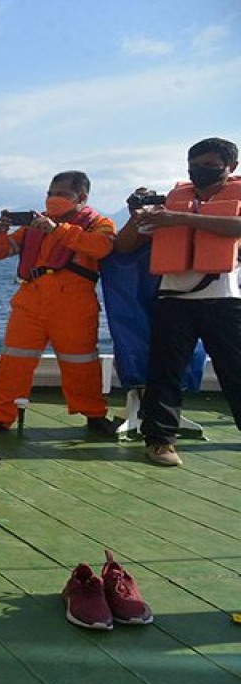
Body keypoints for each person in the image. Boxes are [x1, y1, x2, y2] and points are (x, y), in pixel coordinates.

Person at [113, 137, 241, 467]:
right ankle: (159, 441)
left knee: (236, 370)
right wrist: (136, 215)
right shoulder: (169, 205)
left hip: (224, 300)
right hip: (174, 300)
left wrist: (183, 219)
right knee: (164, 372)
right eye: (194, 166)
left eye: (210, 166)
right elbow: (125, 246)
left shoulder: (230, 201)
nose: (200, 172)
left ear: (231, 168)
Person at [0, 171, 118, 437]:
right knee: (13, 362)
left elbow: (102, 248)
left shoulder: (99, 223)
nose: (53, 199)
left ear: (82, 197)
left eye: (61, 195)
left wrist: (58, 230)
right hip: (30, 300)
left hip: (74, 303)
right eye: (50, 193)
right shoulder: (33, 225)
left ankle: (95, 415)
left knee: (81, 363)